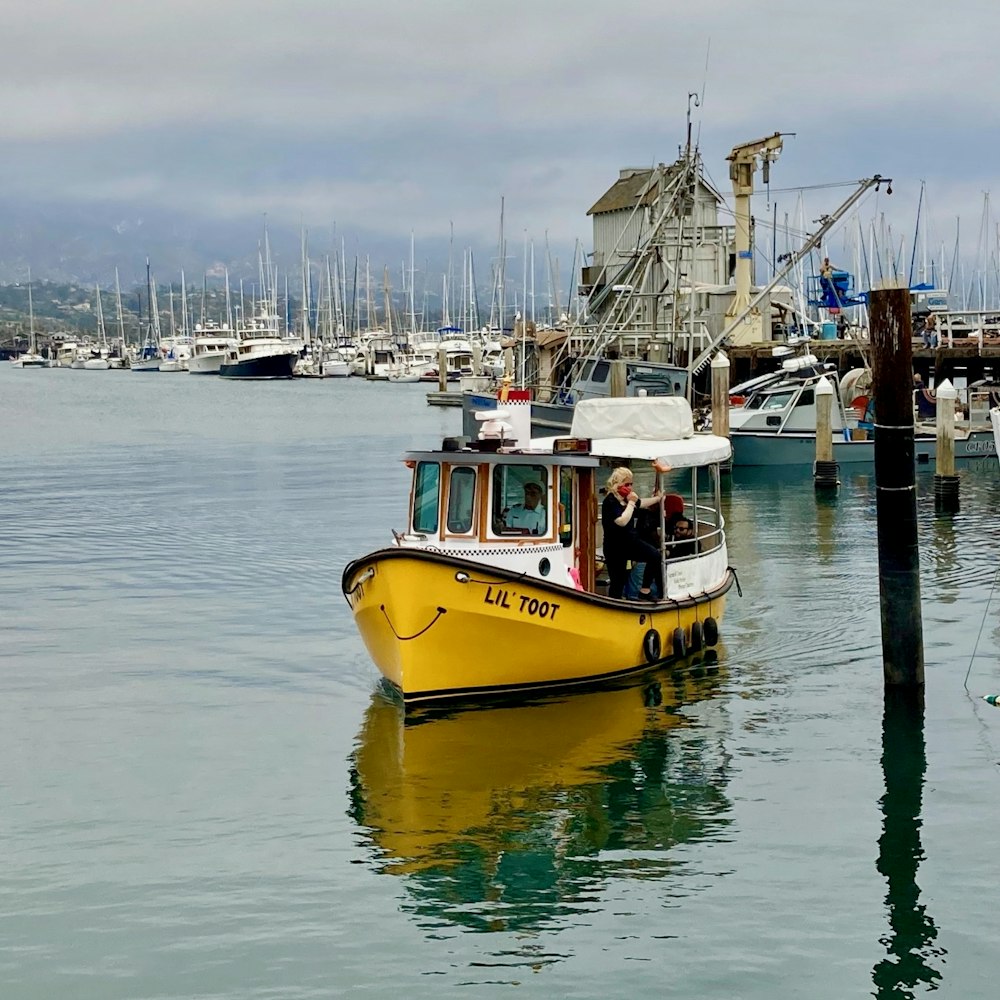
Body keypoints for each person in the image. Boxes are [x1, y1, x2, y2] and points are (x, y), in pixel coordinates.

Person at [600, 467, 664, 601]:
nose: (629, 487)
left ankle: (645, 590)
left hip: (630, 541)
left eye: (631, 484)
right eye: (626, 485)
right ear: (618, 484)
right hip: (614, 547)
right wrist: (631, 503)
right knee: (618, 580)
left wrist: (658, 498)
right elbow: (622, 521)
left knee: (655, 556)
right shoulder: (610, 501)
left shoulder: (627, 498)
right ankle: (615, 605)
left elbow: (641, 503)